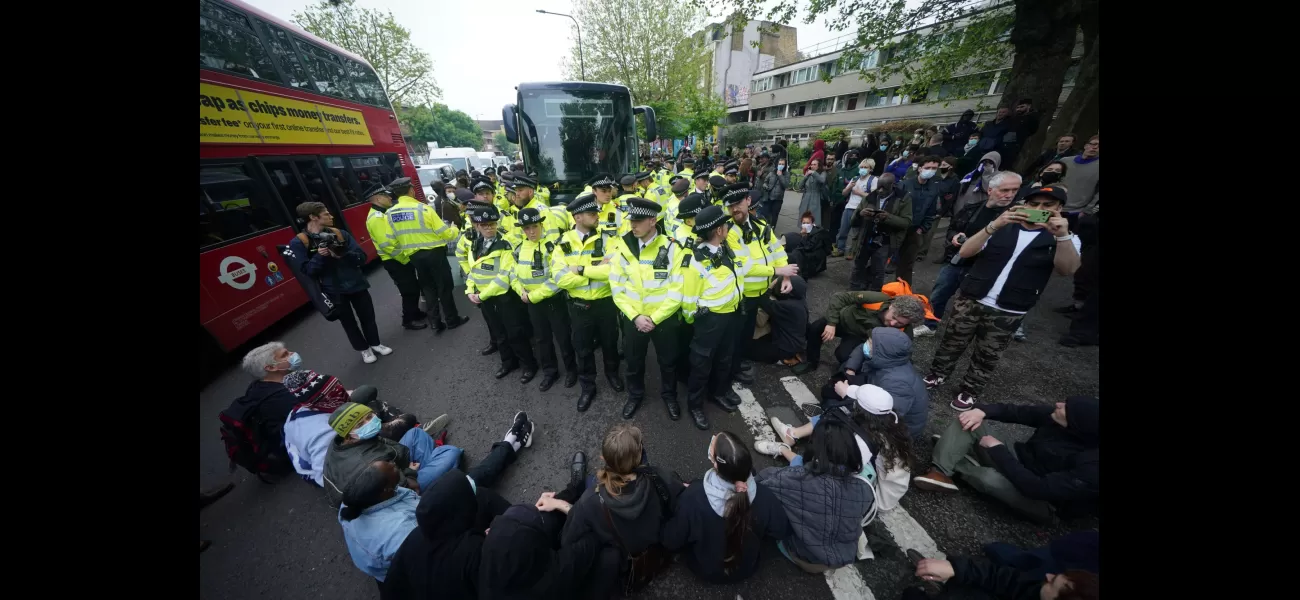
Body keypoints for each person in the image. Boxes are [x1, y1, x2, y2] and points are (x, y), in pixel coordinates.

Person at [923, 185, 1081, 411]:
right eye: (1033, 204)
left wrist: (1062, 235)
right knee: (952, 341)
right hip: (972, 297)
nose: (1038, 209)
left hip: (1011, 307)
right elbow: (965, 252)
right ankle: (937, 374)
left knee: (988, 353)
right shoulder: (1002, 226)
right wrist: (993, 225)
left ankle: (970, 390)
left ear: (1059, 208)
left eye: (1047, 205)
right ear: (1024, 205)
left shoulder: (1064, 237)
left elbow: (1067, 270)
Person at [340, 412, 536, 585]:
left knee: (452, 472)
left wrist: (408, 475)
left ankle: (508, 447)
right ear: (386, 489)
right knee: (472, 488)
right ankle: (512, 445)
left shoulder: (356, 499)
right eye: (393, 469)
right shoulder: (402, 532)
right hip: (426, 566)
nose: (394, 465)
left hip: (411, 543)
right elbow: (440, 549)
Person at [914, 396, 1099, 525]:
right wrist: (981, 411)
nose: (1058, 404)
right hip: (1021, 462)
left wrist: (998, 450)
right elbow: (1014, 411)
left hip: (1045, 502)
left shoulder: (1092, 467)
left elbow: (1037, 488)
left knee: (987, 478)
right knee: (969, 420)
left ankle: (953, 451)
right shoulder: (1056, 417)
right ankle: (940, 471)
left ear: (1078, 423)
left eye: (1066, 407)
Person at [559, 424, 686, 597]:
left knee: (589, 481)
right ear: (640, 456)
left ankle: (577, 484)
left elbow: (569, 539)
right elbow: (679, 497)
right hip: (653, 548)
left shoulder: (590, 501)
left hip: (625, 560)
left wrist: (561, 505)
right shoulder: (660, 477)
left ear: (603, 459)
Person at [661, 431, 791, 584]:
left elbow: (670, 540)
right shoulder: (765, 497)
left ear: (715, 464)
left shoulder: (693, 498)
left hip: (704, 569)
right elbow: (782, 530)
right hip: (746, 568)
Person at [756, 418, 872, 573]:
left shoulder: (797, 476)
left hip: (804, 556)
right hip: (842, 557)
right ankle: (783, 450)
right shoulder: (865, 486)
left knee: (764, 497)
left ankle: (782, 449)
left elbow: (761, 482)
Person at [477, 460, 605, 600]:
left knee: (547, 512)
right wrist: (563, 505)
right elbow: (594, 534)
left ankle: (574, 488)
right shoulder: (558, 573)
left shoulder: (486, 579)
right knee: (608, 556)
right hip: (567, 585)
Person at [917, 171, 1020, 337]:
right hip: (958, 260)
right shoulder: (972, 208)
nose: (1010, 195)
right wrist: (955, 236)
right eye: (1005, 190)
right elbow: (953, 228)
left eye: (1015, 190)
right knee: (939, 293)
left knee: (972, 304)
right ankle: (930, 325)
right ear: (990, 190)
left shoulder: (1015, 217)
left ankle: (963, 335)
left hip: (985, 267)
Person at [609, 198, 686, 420]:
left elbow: (677, 289)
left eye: (638, 220)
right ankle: (635, 396)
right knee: (633, 362)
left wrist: (654, 318)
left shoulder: (671, 247)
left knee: (668, 362)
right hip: (633, 319)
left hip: (664, 319)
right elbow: (617, 287)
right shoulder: (623, 246)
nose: (633, 225)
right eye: (631, 220)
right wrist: (635, 317)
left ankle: (669, 396)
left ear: (653, 221)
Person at [288, 202, 391, 364]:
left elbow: (361, 257)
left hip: (356, 283)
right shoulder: (299, 242)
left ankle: (375, 343)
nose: (331, 216)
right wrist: (320, 256)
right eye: (326, 214)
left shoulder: (339, 233)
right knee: (348, 322)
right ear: (313, 217)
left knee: (368, 316)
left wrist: (342, 254)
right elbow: (307, 271)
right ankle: (364, 349)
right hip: (333, 289)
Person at [551, 194, 626, 412]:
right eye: (592, 214)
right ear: (577, 217)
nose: (597, 217)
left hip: (605, 303)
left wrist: (581, 269)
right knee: (583, 348)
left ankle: (612, 374)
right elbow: (560, 278)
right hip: (579, 305)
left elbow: (614, 270)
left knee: (610, 342)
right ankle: (588, 386)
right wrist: (597, 271)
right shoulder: (563, 243)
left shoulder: (609, 239)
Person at [724, 184, 800, 387]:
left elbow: (776, 249)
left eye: (738, 204)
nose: (734, 210)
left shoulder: (760, 224)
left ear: (748, 201)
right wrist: (777, 272)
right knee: (735, 335)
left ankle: (738, 363)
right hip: (742, 294)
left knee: (747, 332)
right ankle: (732, 370)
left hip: (759, 291)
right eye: (730, 206)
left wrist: (785, 275)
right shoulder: (729, 231)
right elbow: (743, 266)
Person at [679, 205, 744, 430]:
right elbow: (688, 298)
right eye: (724, 224)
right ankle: (695, 405)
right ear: (718, 230)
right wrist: (692, 321)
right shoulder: (695, 260)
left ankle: (719, 392)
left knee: (725, 358)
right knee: (701, 363)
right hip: (709, 321)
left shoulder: (725, 249)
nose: (727, 227)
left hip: (730, 316)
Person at [382, 179, 469, 335]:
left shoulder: (389, 214)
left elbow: (390, 241)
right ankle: (452, 320)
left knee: (428, 288)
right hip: (435, 254)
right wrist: (455, 230)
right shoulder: (423, 209)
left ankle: (435, 322)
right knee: (444, 287)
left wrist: (405, 254)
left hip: (415, 256)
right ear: (411, 190)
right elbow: (445, 233)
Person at [464, 203, 539, 383]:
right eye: (485, 225)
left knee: (515, 333)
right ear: (477, 226)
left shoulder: (504, 245)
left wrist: (480, 296)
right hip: (485, 299)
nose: (489, 228)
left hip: (504, 298)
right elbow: (473, 271)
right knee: (499, 333)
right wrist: (469, 290)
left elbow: (503, 277)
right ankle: (508, 363)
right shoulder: (476, 244)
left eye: (492, 224)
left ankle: (529, 365)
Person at [509, 208, 577, 392]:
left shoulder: (553, 246)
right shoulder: (518, 249)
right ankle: (550, 372)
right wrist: (520, 291)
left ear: (541, 225)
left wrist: (532, 296)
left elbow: (559, 278)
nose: (531, 231)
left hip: (552, 300)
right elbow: (512, 274)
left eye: (534, 226)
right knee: (541, 339)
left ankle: (572, 370)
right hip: (531, 302)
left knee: (563, 336)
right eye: (527, 228)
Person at [796, 291, 926, 374]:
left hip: (859, 336)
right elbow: (840, 297)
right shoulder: (877, 299)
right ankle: (811, 362)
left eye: (900, 323)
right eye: (893, 318)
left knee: (843, 355)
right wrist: (831, 323)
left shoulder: (904, 333)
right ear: (892, 306)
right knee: (816, 328)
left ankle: (844, 376)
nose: (893, 324)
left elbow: (903, 355)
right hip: (843, 322)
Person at [841, 327, 930, 442]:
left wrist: (847, 394)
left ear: (882, 351)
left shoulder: (896, 384)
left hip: (896, 434)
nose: (866, 344)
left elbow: (882, 417)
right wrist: (850, 369)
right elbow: (861, 349)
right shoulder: (892, 360)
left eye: (870, 343)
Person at [364, 183, 427, 331]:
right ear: (378, 198)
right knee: (408, 290)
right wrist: (405, 259)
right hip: (395, 260)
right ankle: (408, 320)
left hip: (399, 258)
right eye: (386, 196)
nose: (390, 197)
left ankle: (415, 312)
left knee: (413, 286)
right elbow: (387, 244)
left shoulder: (383, 212)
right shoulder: (376, 218)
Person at [231, 342, 308, 462]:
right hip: (296, 447)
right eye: (285, 355)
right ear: (271, 367)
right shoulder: (283, 397)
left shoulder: (258, 386)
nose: (293, 354)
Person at [908, 556, 1099, 600]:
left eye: (1052, 583)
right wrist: (957, 569)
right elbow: (1005, 578)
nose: (1048, 576)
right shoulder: (1040, 591)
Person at [848, 172, 912, 292]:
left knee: (878, 269)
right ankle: (853, 291)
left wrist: (887, 217)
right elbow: (853, 221)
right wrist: (860, 214)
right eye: (879, 187)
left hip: (886, 239)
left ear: (893, 185)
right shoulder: (870, 197)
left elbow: (906, 222)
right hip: (866, 236)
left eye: (884, 188)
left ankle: (874, 294)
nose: (881, 191)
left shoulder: (903, 199)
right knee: (858, 266)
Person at [896, 156, 943, 287]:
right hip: (898, 227)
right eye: (928, 168)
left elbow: (931, 212)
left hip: (914, 230)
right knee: (884, 258)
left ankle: (902, 290)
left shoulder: (933, 189)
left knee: (907, 263)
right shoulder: (905, 184)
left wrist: (922, 229)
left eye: (934, 168)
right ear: (920, 168)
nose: (931, 171)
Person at [746, 275, 809, 367]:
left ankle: (784, 359)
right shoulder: (800, 300)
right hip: (796, 343)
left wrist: (771, 285)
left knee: (745, 348)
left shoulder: (785, 306)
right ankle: (794, 355)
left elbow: (763, 300)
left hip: (784, 349)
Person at [917, 155, 963, 264]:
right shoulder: (934, 176)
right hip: (925, 206)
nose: (940, 167)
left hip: (937, 210)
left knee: (928, 233)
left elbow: (951, 198)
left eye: (944, 165)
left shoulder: (954, 180)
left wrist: (942, 212)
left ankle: (921, 253)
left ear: (951, 167)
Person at [837, 159, 878, 258]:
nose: (862, 169)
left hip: (861, 209)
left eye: (865, 167)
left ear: (870, 169)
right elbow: (844, 193)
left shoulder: (873, 180)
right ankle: (840, 249)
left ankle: (853, 251)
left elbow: (873, 196)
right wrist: (849, 187)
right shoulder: (855, 178)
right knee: (843, 230)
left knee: (856, 233)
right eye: (861, 167)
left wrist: (859, 192)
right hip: (849, 207)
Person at [782, 211, 833, 280]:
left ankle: (800, 273)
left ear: (812, 223)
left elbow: (808, 247)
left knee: (797, 253)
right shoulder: (809, 232)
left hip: (815, 258)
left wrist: (803, 236)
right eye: (804, 223)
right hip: (811, 253)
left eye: (808, 223)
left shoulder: (817, 233)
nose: (806, 225)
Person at [953, 151, 1002, 217]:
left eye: (990, 162)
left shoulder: (998, 176)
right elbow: (961, 188)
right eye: (984, 162)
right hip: (962, 204)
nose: (986, 164)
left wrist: (986, 174)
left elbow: (987, 188)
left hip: (977, 206)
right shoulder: (972, 174)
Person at [1060, 134, 1099, 213]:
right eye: (1094, 144)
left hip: (1076, 211)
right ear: (1086, 146)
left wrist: (1087, 211)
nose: (1095, 147)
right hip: (1053, 205)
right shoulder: (1065, 161)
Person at [1000, 98, 1040, 170]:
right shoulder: (1014, 118)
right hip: (1008, 143)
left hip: (1020, 145)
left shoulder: (1032, 117)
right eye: (1017, 107)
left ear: (1029, 106)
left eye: (1022, 107)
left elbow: (1033, 130)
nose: (1019, 109)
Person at [760, 156, 790, 225]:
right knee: (766, 215)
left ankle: (772, 230)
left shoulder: (786, 174)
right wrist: (765, 186)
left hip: (778, 199)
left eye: (783, 164)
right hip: (769, 197)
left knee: (774, 216)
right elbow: (765, 181)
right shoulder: (772, 172)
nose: (781, 165)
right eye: (780, 164)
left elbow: (785, 185)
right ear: (777, 164)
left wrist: (780, 175)